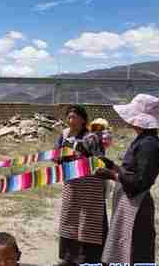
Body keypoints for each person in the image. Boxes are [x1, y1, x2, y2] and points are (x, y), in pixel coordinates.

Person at [98, 94, 159, 264]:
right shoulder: (143, 140)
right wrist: (114, 167)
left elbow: (139, 181)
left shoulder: (149, 145)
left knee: (134, 247)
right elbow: (132, 171)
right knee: (125, 244)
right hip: (130, 202)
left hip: (136, 204)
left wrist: (112, 175)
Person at [54, 105, 107, 266]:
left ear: (83, 119)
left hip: (90, 185)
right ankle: (70, 257)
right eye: (69, 117)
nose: (71, 120)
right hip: (72, 183)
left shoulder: (91, 137)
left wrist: (79, 157)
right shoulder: (64, 135)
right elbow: (57, 153)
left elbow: (100, 160)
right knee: (70, 217)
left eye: (75, 117)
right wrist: (58, 158)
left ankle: (89, 258)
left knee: (88, 219)